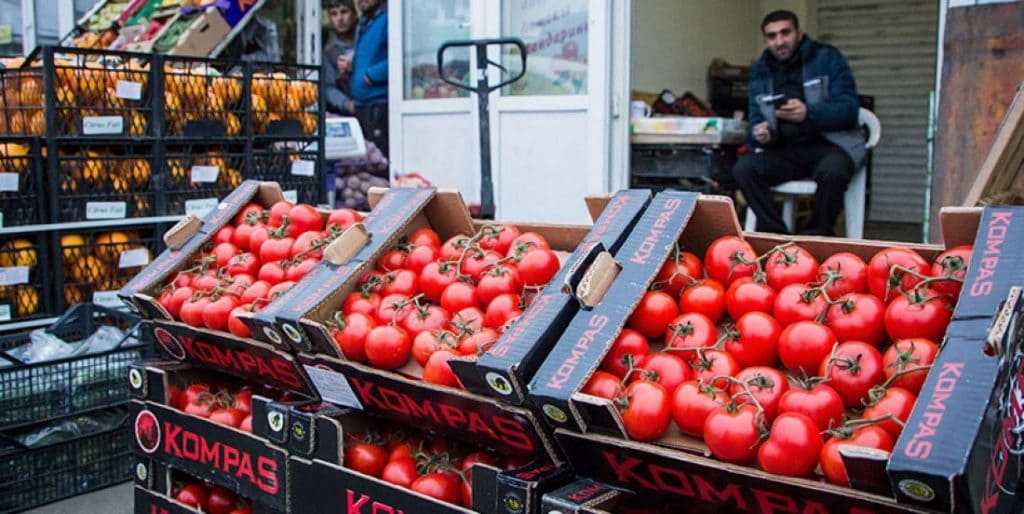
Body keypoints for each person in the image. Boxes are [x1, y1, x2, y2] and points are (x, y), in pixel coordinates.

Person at [732, 10, 865, 236]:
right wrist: (761, 133)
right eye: (772, 36)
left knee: (833, 172)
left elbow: (849, 110)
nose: (780, 41)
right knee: (744, 169)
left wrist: (809, 113)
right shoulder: (760, 71)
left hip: (829, 146)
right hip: (785, 150)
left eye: (785, 33)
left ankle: (815, 236)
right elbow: (755, 122)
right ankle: (777, 238)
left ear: (799, 33)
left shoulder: (827, 58)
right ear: (766, 40)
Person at [338, 0, 389, 156]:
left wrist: (372, 75)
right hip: (363, 105)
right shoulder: (366, 21)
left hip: (378, 104)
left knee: (380, 162)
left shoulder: (388, 19)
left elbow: (401, 57)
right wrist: (353, 61)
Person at [324, 0, 358, 116]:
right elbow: (328, 88)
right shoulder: (329, 51)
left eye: (344, 12)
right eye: (334, 14)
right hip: (347, 110)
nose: (340, 19)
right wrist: (347, 104)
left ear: (354, 14)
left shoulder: (365, 37)